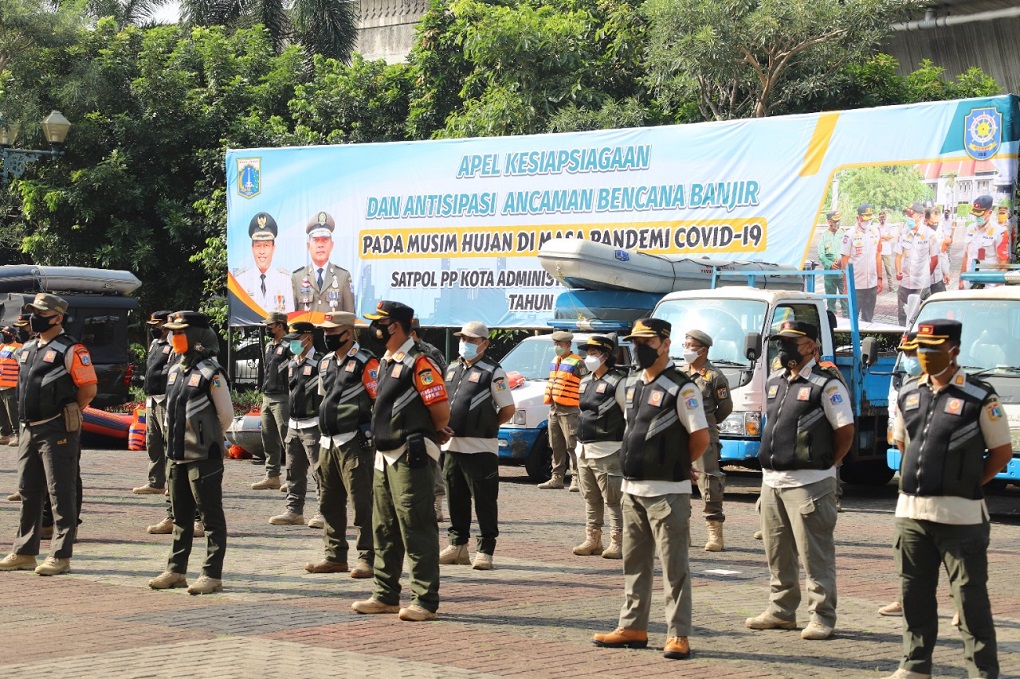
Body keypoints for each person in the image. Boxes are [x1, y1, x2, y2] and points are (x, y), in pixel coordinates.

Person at [882, 319, 1012, 679]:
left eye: (933, 349)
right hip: (911, 514)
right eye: (921, 349)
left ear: (953, 349)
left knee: (970, 602)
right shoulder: (909, 393)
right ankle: (915, 664)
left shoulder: (979, 397)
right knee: (914, 595)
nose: (924, 356)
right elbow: (902, 443)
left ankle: (982, 670)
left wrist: (967, 482)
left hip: (962, 517)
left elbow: (1001, 452)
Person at [592, 318, 709, 661]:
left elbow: (699, 437)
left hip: (667, 491)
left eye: (646, 342)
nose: (639, 347)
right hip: (633, 489)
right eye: (635, 342)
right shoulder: (632, 385)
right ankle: (633, 627)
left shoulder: (682, 387)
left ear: (665, 343)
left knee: (674, 567)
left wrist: (674, 464)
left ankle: (678, 634)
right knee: (635, 563)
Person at [745, 320, 854, 641]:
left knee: (815, 554)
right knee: (777, 551)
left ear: (812, 346)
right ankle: (781, 611)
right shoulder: (775, 381)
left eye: (792, 342)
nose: (784, 348)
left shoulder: (827, 384)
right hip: (773, 481)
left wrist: (825, 466)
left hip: (810, 483)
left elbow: (844, 432)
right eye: (781, 342)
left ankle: (822, 615)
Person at [352, 300, 450, 622]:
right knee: (384, 527)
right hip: (385, 456)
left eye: (379, 324)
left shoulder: (418, 362)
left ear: (394, 326)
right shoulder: (386, 360)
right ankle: (385, 594)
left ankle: (424, 600)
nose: (374, 330)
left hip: (410, 456)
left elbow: (440, 411)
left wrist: (431, 430)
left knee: (416, 527)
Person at [0, 293, 97, 576]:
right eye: (33, 311)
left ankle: (60, 555)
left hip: (56, 427)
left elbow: (88, 390)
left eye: (41, 313)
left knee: (60, 491)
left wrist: (65, 411)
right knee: (29, 490)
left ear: (57, 317)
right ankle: (24, 551)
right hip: (29, 427)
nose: (34, 317)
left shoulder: (72, 349)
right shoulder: (29, 347)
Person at [147, 311, 232, 595]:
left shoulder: (212, 372)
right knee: (181, 518)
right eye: (172, 332)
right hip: (176, 456)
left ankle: (211, 573)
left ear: (194, 335)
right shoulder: (174, 369)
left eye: (179, 332)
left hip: (203, 456)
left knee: (210, 517)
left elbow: (225, 416)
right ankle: (176, 570)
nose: (173, 337)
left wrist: (203, 436)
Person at [306, 312, 379, 577]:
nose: (327, 337)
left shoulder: (366, 362)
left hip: (354, 442)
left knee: (363, 503)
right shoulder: (324, 362)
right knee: (329, 502)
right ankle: (334, 555)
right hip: (327, 443)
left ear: (348, 333)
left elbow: (379, 401)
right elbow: (325, 399)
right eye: (325, 332)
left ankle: (368, 558)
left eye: (333, 333)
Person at [438, 321, 515, 570]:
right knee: (455, 498)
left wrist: (487, 427)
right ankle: (457, 546)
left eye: (471, 340)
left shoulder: (493, 371)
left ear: (484, 343)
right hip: (451, 446)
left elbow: (507, 409)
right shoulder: (451, 369)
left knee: (484, 500)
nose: (465, 344)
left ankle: (485, 550)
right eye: (463, 339)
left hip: (480, 447)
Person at [572, 335, 627, 560]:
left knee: (613, 498)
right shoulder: (585, 380)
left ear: (606, 355)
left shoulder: (619, 381)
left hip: (609, 448)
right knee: (591, 497)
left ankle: (619, 541)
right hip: (584, 448)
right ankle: (593, 539)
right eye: (587, 353)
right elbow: (581, 409)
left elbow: (628, 415)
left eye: (594, 353)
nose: (589, 357)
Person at [683, 329, 733, 552]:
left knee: (709, 482)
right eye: (685, 345)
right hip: (681, 435)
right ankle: (682, 531)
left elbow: (725, 408)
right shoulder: (680, 374)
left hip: (704, 435)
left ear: (703, 349)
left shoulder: (714, 376)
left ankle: (715, 533)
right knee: (679, 483)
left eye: (691, 346)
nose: (687, 350)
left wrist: (707, 423)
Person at [269, 321, 322, 528]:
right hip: (294, 425)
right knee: (293, 471)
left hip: (314, 425)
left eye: (295, 340)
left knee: (321, 473)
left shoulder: (320, 363)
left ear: (307, 338)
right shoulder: (292, 363)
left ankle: (323, 512)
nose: (292, 345)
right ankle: (294, 511)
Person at [537, 331, 587, 491]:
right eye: (555, 344)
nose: (557, 347)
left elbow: (586, 385)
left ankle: (576, 479)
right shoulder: (555, 361)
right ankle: (556, 478)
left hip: (570, 410)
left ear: (568, 345)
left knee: (572, 445)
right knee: (555, 445)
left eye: (560, 344)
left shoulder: (578, 363)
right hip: (554, 409)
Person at [133, 310, 174, 495]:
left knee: (169, 441)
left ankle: (173, 482)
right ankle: (155, 481)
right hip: (152, 399)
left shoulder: (174, 344)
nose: (154, 329)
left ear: (166, 325)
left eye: (157, 325)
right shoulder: (155, 345)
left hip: (166, 399)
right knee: (153, 441)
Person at [411, 317, 448, 521]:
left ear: (413, 333)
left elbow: (438, 385)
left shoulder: (429, 354)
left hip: (427, 414)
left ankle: (436, 505)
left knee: (432, 460)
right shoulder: (398, 354)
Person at [252, 312, 290, 491]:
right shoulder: (269, 346)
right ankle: (272, 476)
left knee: (287, 438)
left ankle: (293, 477)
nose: (267, 329)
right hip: (267, 396)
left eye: (270, 326)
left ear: (280, 326)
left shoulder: (292, 344)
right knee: (268, 437)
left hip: (283, 397)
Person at [292, 211, 355, 314]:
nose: (320, 245)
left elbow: (350, 318)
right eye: (316, 240)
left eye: (325, 240)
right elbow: (291, 319)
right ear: (308, 246)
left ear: (332, 245)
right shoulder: (297, 278)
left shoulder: (343, 277)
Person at [233, 212, 294, 313]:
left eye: (266, 246)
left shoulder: (285, 280)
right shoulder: (241, 280)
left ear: (273, 248)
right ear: (252, 248)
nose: (262, 252)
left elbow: (290, 314)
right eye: (258, 246)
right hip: (250, 329)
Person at [894, 203, 939, 325]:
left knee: (921, 317)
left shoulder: (930, 234)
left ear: (921, 216)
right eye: (907, 215)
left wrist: (926, 275)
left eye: (911, 215)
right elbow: (898, 256)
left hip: (920, 284)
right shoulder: (904, 233)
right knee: (903, 316)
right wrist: (898, 270)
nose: (909, 218)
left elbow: (935, 259)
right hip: (905, 283)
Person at [840, 204, 883, 322]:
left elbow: (878, 255)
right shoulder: (849, 234)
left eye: (869, 218)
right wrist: (846, 285)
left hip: (871, 284)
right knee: (852, 318)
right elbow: (844, 260)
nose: (867, 221)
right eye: (864, 218)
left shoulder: (875, 231)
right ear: (858, 218)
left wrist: (880, 278)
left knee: (868, 318)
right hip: (856, 285)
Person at [959, 195, 1010, 289]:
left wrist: (999, 287)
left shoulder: (1000, 232)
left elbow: (1003, 262)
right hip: (969, 283)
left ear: (990, 212)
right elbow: (966, 256)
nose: (977, 217)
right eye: (975, 214)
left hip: (989, 286)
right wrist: (961, 279)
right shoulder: (970, 229)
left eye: (980, 214)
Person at [817, 212, 848, 317]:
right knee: (831, 301)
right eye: (835, 221)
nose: (837, 223)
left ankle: (847, 321)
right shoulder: (824, 236)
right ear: (829, 222)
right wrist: (830, 264)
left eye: (838, 221)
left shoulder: (843, 234)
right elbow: (821, 254)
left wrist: (840, 260)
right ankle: (832, 323)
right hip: (830, 274)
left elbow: (848, 251)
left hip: (842, 272)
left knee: (845, 300)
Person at [0, 325, 22, 447]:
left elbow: (22, 367)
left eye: (5, 333)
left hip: (11, 386)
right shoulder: (2, 347)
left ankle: (18, 435)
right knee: (1, 413)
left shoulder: (18, 348)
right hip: (1, 385)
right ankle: (4, 435)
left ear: (13, 335)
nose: (3, 335)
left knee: (13, 412)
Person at [928, 209, 953, 296]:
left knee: (941, 302)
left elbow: (943, 253)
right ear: (926, 220)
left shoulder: (941, 229)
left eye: (936, 222)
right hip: (923, 279)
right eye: (932, 222)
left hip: (937, 278)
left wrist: (946, 272)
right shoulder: (920, 232)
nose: (935, 224)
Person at [878, 210, 900, 295]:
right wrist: (883, 238)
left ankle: (891, 287)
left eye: (883, 217)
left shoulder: (889, 226)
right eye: (880, 217)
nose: (882, 218)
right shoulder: (876, 227)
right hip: (878, 252)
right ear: (878, 218)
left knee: (889, 270)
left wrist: (882, 237)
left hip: (886, 251)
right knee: (877, 270)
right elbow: (876, 238)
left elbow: (890, 237)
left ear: (886, 217)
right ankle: (878, 287)